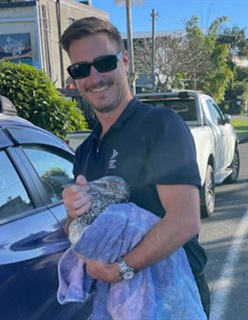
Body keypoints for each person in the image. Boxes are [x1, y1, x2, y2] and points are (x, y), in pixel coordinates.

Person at [59, 16, 210, 317]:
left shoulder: (160, 125)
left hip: (173, 298)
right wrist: (72, 213)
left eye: (104, 62)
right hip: (120, 302)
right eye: (80, 69)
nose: (94, 77)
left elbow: (184, 220)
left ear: (124, 61)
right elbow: (78, 232)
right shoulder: (86, 150)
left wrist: (121, 268)